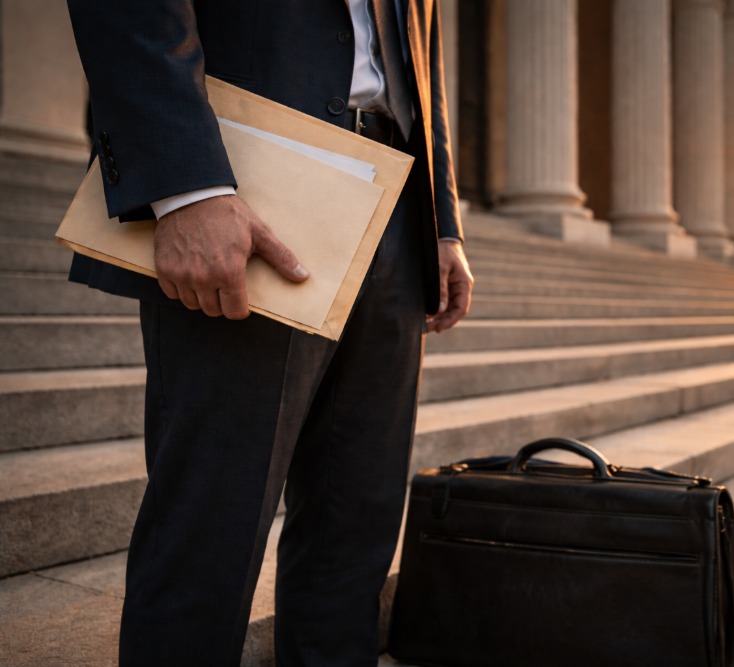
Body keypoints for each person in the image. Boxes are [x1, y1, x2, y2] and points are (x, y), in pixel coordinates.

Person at [65, 1, 473, 665]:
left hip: (396, 203)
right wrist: (186, 184)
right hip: (250, 183)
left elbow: (419, 44)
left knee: (355, 528)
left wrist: (444, 218)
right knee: (209, 532)